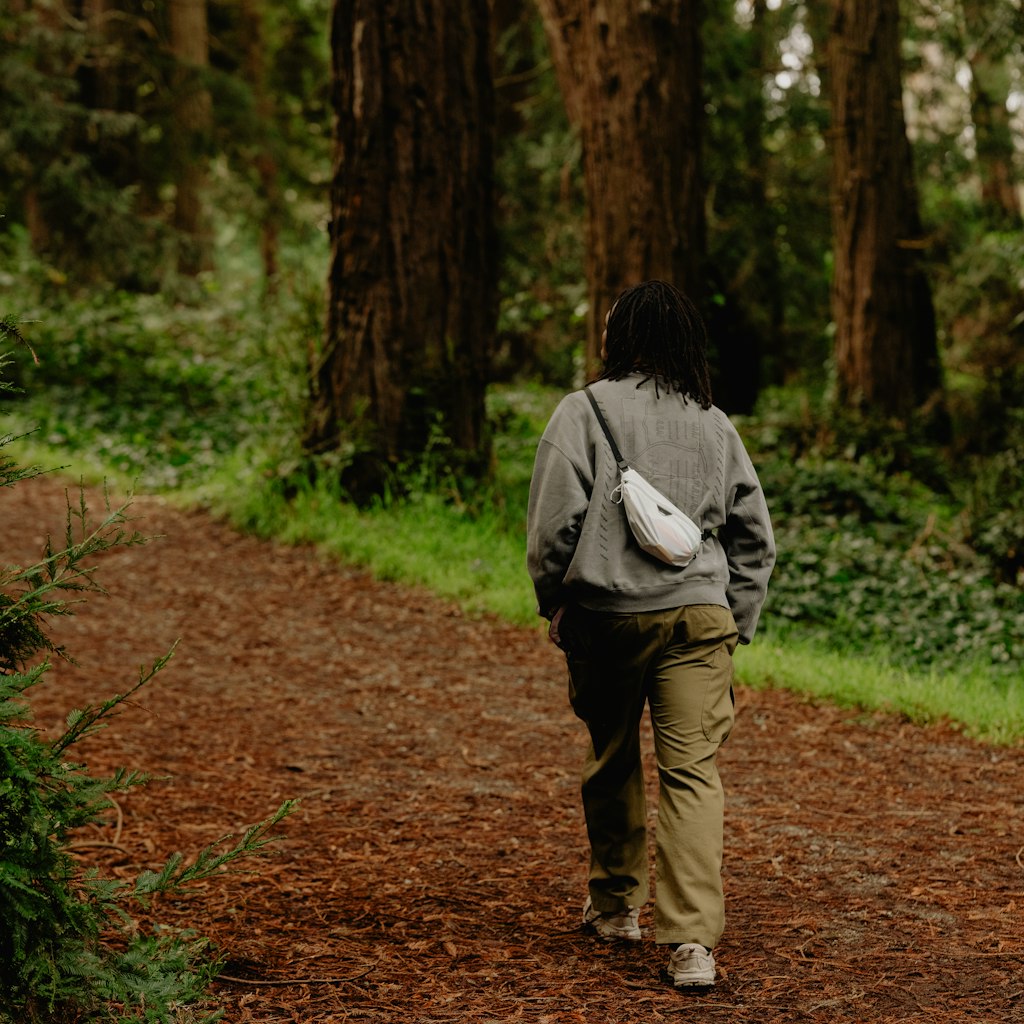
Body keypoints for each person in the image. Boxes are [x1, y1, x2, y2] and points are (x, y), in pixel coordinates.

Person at [526, 280, 775, 988]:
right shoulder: (714, 423)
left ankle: (614, 906)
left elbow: (551, 529)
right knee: (693, 771)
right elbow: (754, 538)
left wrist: (558, 605)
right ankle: (692, 943)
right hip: (700, 617)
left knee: (611, 754)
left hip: (607, 615)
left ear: (618, 338)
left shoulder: (583, 412)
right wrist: (736, 622)